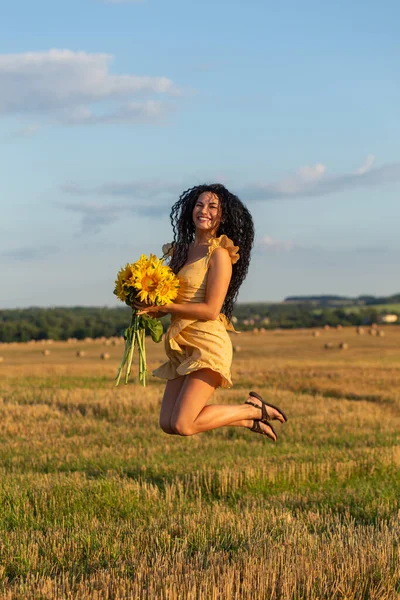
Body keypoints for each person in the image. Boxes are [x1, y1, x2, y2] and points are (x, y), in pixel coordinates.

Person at [137, 183, 287, 440]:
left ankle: (249, 409)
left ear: (223, 215)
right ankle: (248, 417)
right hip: (181, 345)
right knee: (168, 423)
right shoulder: (179, 252)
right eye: (199, 204)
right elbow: (170, 301)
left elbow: (210, 310)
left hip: (207, 344)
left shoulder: (219, 255)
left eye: (212, 206)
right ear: (189, 210)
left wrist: (167, 307)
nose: (203, 210)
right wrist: (145, 306)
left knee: (184, 425)